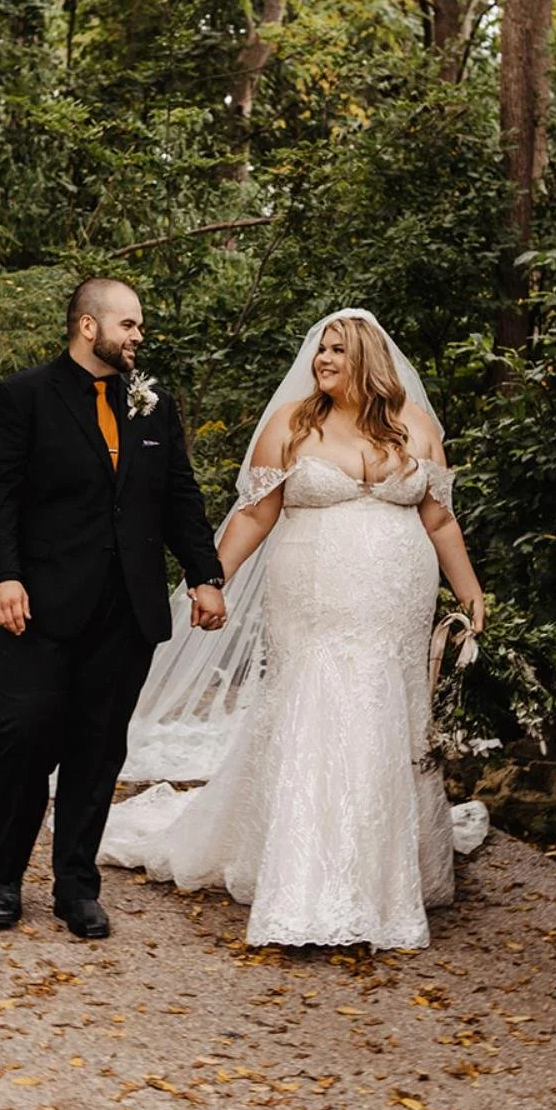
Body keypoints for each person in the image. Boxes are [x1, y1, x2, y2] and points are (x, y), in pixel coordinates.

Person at [101, 309, 485, 949]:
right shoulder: (292, 425)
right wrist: (211, 580)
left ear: (366, 357)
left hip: (396, 605)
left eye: (337, 350)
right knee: (320, 710)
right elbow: (253, 517)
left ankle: (386, 875)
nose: (323, 360)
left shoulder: (415, 427)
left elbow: (439, 521)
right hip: (315, 600)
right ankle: (306, 883)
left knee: (387, 715)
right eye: (320, 350)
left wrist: (470, 591)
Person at [0, 277, 227, 939]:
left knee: (98, 747)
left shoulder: (152, 405)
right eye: (129, 324)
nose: (139, 336)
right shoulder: (21, 398)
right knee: (26, 737)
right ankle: (3, 877)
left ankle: (76, 887)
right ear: (90, 327)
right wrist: (3, 575)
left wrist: (205, 574)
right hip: (35, 606)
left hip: (125, 610)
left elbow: (178, 495)